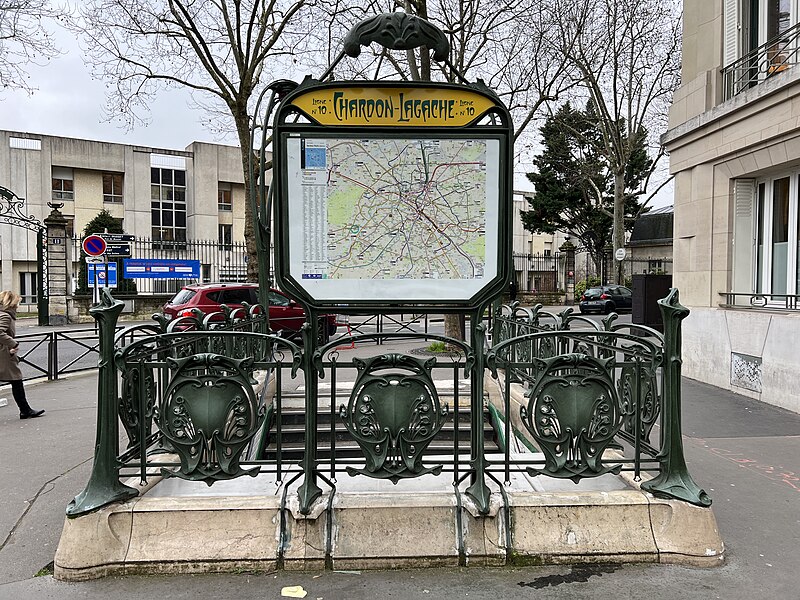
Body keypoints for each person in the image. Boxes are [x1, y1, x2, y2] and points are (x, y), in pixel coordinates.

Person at [0, 291, 44, 419]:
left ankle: (25, 410)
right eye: (17, 302)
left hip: (5, 352)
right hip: (4, 354)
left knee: (16, 381)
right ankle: (25, 410)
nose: (18, 305)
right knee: (16, 380)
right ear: (11, 303)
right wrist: (13, 344)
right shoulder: (6, 316)